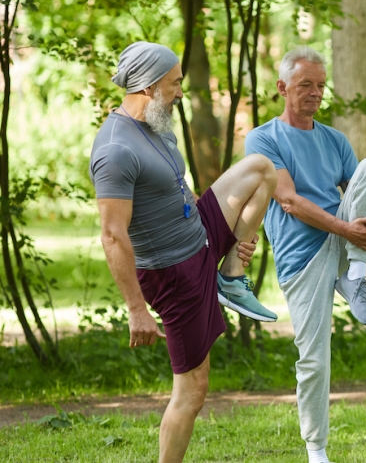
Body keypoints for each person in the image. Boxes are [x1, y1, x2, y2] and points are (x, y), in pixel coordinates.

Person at [91, 41, 278, 463]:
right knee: (193, 389)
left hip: (197, 231)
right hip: (173, 271)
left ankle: (229, 277)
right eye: (175, 83)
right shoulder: (116, 150)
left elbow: (175, 186)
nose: (180, 92)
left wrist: (231, 234)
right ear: (150, 85)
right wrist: (136, 310)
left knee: (262, 169)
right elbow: (112, 234)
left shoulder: (153, 124)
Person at [244, 46, 366, 463]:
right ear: (282, 87)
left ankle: (355, 276)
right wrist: (349, 229)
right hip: (302, 255)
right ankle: (316, 449)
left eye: (320, 86)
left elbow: (364, 190)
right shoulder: (263, 138)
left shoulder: (334, 139)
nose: (315, 93)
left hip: (343, 240)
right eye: (305, 84)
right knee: (313, 355)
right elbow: (288, 200)